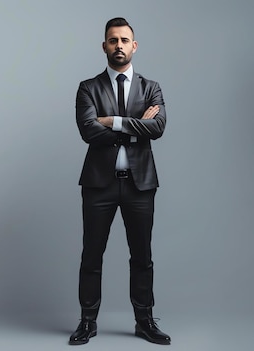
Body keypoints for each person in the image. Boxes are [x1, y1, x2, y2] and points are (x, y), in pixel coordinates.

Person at [69, 17, 171, 345]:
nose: (119, 46)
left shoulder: (151, 87)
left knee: (142, 255)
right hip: (100, 184)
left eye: (124, 40)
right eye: (113, 40)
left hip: (140, 184)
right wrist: (135, 125)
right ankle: (88, 321)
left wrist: (112, 121)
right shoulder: (89, 88)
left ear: (134, 45)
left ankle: (144, 321)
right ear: (104, 46)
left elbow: (158, 128)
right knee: (92, 254)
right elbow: (89, 132)